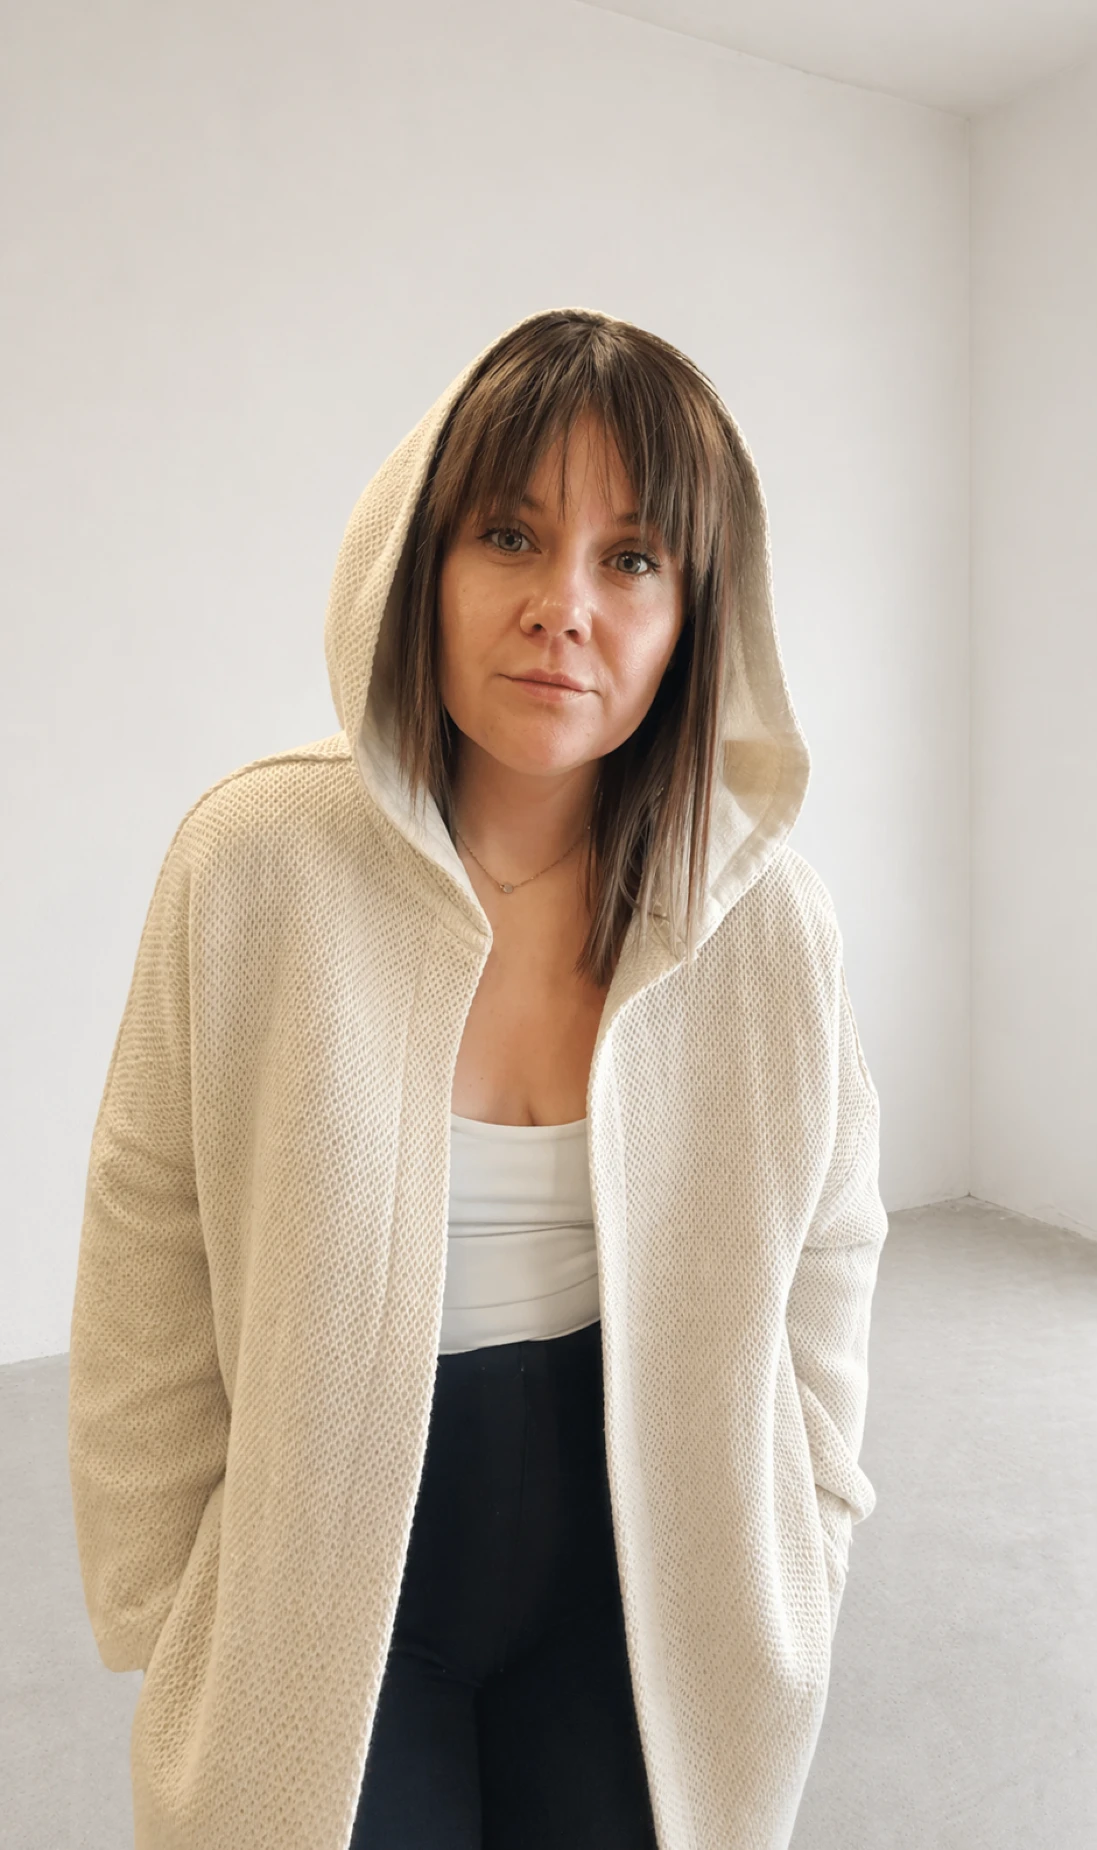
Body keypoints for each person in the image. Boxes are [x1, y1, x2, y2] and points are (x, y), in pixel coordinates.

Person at [68, 307, 889, 1850]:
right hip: (329, 1573)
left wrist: (813, 1519)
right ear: (419, 560)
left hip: (638, 1571)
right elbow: (147, 1224)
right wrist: (167, 1593)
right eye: (510, 534)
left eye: (630, 558)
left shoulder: (768, 922)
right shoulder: (254, 862)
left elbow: (834, 1239)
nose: (561, 606)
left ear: (695, 611)